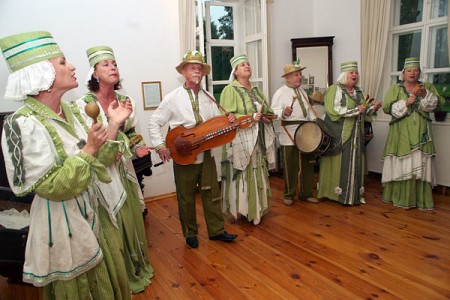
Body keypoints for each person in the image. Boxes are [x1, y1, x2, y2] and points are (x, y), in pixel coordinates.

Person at [0, 31, 132, 299]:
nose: (72, 66)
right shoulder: (22, 123)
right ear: (40, 74)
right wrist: (89, 150)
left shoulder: (73, 110)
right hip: (61, 224)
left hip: (95, 211)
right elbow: (53, 187)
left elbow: (102, 162)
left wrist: (115, 125)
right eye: (62, 62)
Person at [76, 46, 154, 293]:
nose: (113, 68)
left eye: (114, 63)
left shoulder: (124, 101)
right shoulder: (82, 105)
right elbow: (81, 143)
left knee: (130, 215)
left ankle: (135, 265)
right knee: (113, 218)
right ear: (95, 73)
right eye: (106, 64)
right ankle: (117, 272)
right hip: (101, 172)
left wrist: (136, 146)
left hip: (124, 168)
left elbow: (131, 133)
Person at [148, 50, 237, 248]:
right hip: (183, 154)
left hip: (205, 154)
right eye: (192, 68)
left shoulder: (208, 98)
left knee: (212, 193)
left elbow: (218, 123)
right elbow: (154, 122)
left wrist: (229, 119)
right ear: (184, 72)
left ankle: (217, 230)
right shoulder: (173, 98)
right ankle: (190, 233)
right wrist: (161, 145)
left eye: (199, 68)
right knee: (186, 197)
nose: (196, 71)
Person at [381, 57, 444, 210]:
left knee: (419, 160)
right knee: (403, 161)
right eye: (409, 70)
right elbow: (387, 108)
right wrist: (405, 103)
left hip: (422, 131)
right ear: (403, 73)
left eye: (415, 70)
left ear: (419, 73)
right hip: (401, 131)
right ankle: (400, 197)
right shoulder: (396, 88)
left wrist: (424, 96)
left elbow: (438, 104)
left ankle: (421, 199)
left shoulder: (426, 87)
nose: (412, 73)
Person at [220, 54, 275, 225]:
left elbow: (268, 111)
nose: (247, 66)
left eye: (248, 64)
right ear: (235, 72)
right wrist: (250, 117)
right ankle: (241, 209)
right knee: (243, 171)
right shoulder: (230, 90)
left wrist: (266, 117)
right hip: (240, 139)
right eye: (242, 65)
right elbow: (226, 116)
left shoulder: (257, 91)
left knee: (257, 168)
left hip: (257, 138)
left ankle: (256, 208)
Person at [317, 61, 381, 206]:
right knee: (339, 161)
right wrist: (357, 110)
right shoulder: (334, 89)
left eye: (356, 72)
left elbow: (364, 110)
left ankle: (352, 195)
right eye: (351, 72)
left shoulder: (358, 91)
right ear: (344, 75)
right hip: (339, 133)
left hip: (356, 134)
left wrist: (373, 108)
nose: (355, 75)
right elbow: (333, 110)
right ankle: (335, 194)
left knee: (355, 161)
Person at [271, 59, 319, 206]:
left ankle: (306, 193)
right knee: (290, 165)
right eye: (297, 75)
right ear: (287, 77)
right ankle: (289, 194)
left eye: (300, 74)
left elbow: (309, 110)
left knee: (307, 164)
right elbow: (272, 112)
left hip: (305, 132)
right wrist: (284, 112)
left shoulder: (302, 91)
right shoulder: (280, 93)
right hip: (289, 132)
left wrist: (315, 120)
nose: (300, 77)